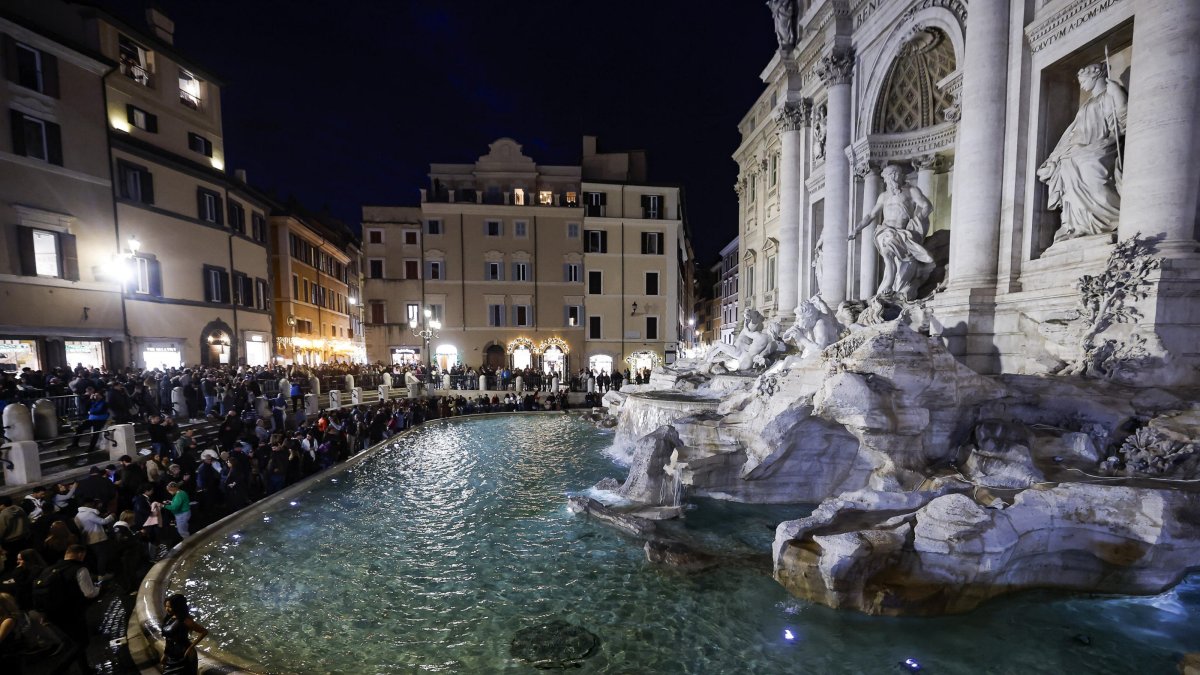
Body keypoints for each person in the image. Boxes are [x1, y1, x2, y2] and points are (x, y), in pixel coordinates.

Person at [1037, 61, 1127, 242]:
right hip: (1077, 149)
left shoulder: (1108, 95)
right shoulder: (1086, 105)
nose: (1081, 84)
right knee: (1068, 163)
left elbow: (1120, 124)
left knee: (1087, 164)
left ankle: (1110, 218)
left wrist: (1117, 93)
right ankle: (1076, 225)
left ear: (1095, 74)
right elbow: (1072, 134)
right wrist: (1055, 157)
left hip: (1101, 147)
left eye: (1083, 79)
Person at [849, 164, 936, 300]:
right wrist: (857, 229)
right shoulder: (883, 196)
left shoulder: (911, 190)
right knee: (887, 249)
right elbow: (871, 216)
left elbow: (927, 206)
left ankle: (892, 287)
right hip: (885, 231)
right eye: (886, 179)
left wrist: (917, 221)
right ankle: (888, 285)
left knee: (902, 267)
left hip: (904, 233)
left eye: (890, 178)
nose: (887, 182)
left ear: (896, 176)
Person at [34, 543, 99, 673]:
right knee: (83, 642)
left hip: (53, 614)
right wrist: (99, 588)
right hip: (72, 612)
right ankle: (59, 670)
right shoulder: (80, 569)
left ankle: (85, 669)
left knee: (76, 642)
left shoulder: (50, 569)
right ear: (80, 554)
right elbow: (89, 593)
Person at [160, 593, 208, 675]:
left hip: (184, 656)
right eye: (166, 606)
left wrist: (190, 648)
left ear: (177, 607)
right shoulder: (169, 617)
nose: (167, 609)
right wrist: (165, 654)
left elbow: (204, 631)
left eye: (170, 607)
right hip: (172, 655)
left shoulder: (185, 620)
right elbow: (168, 639)